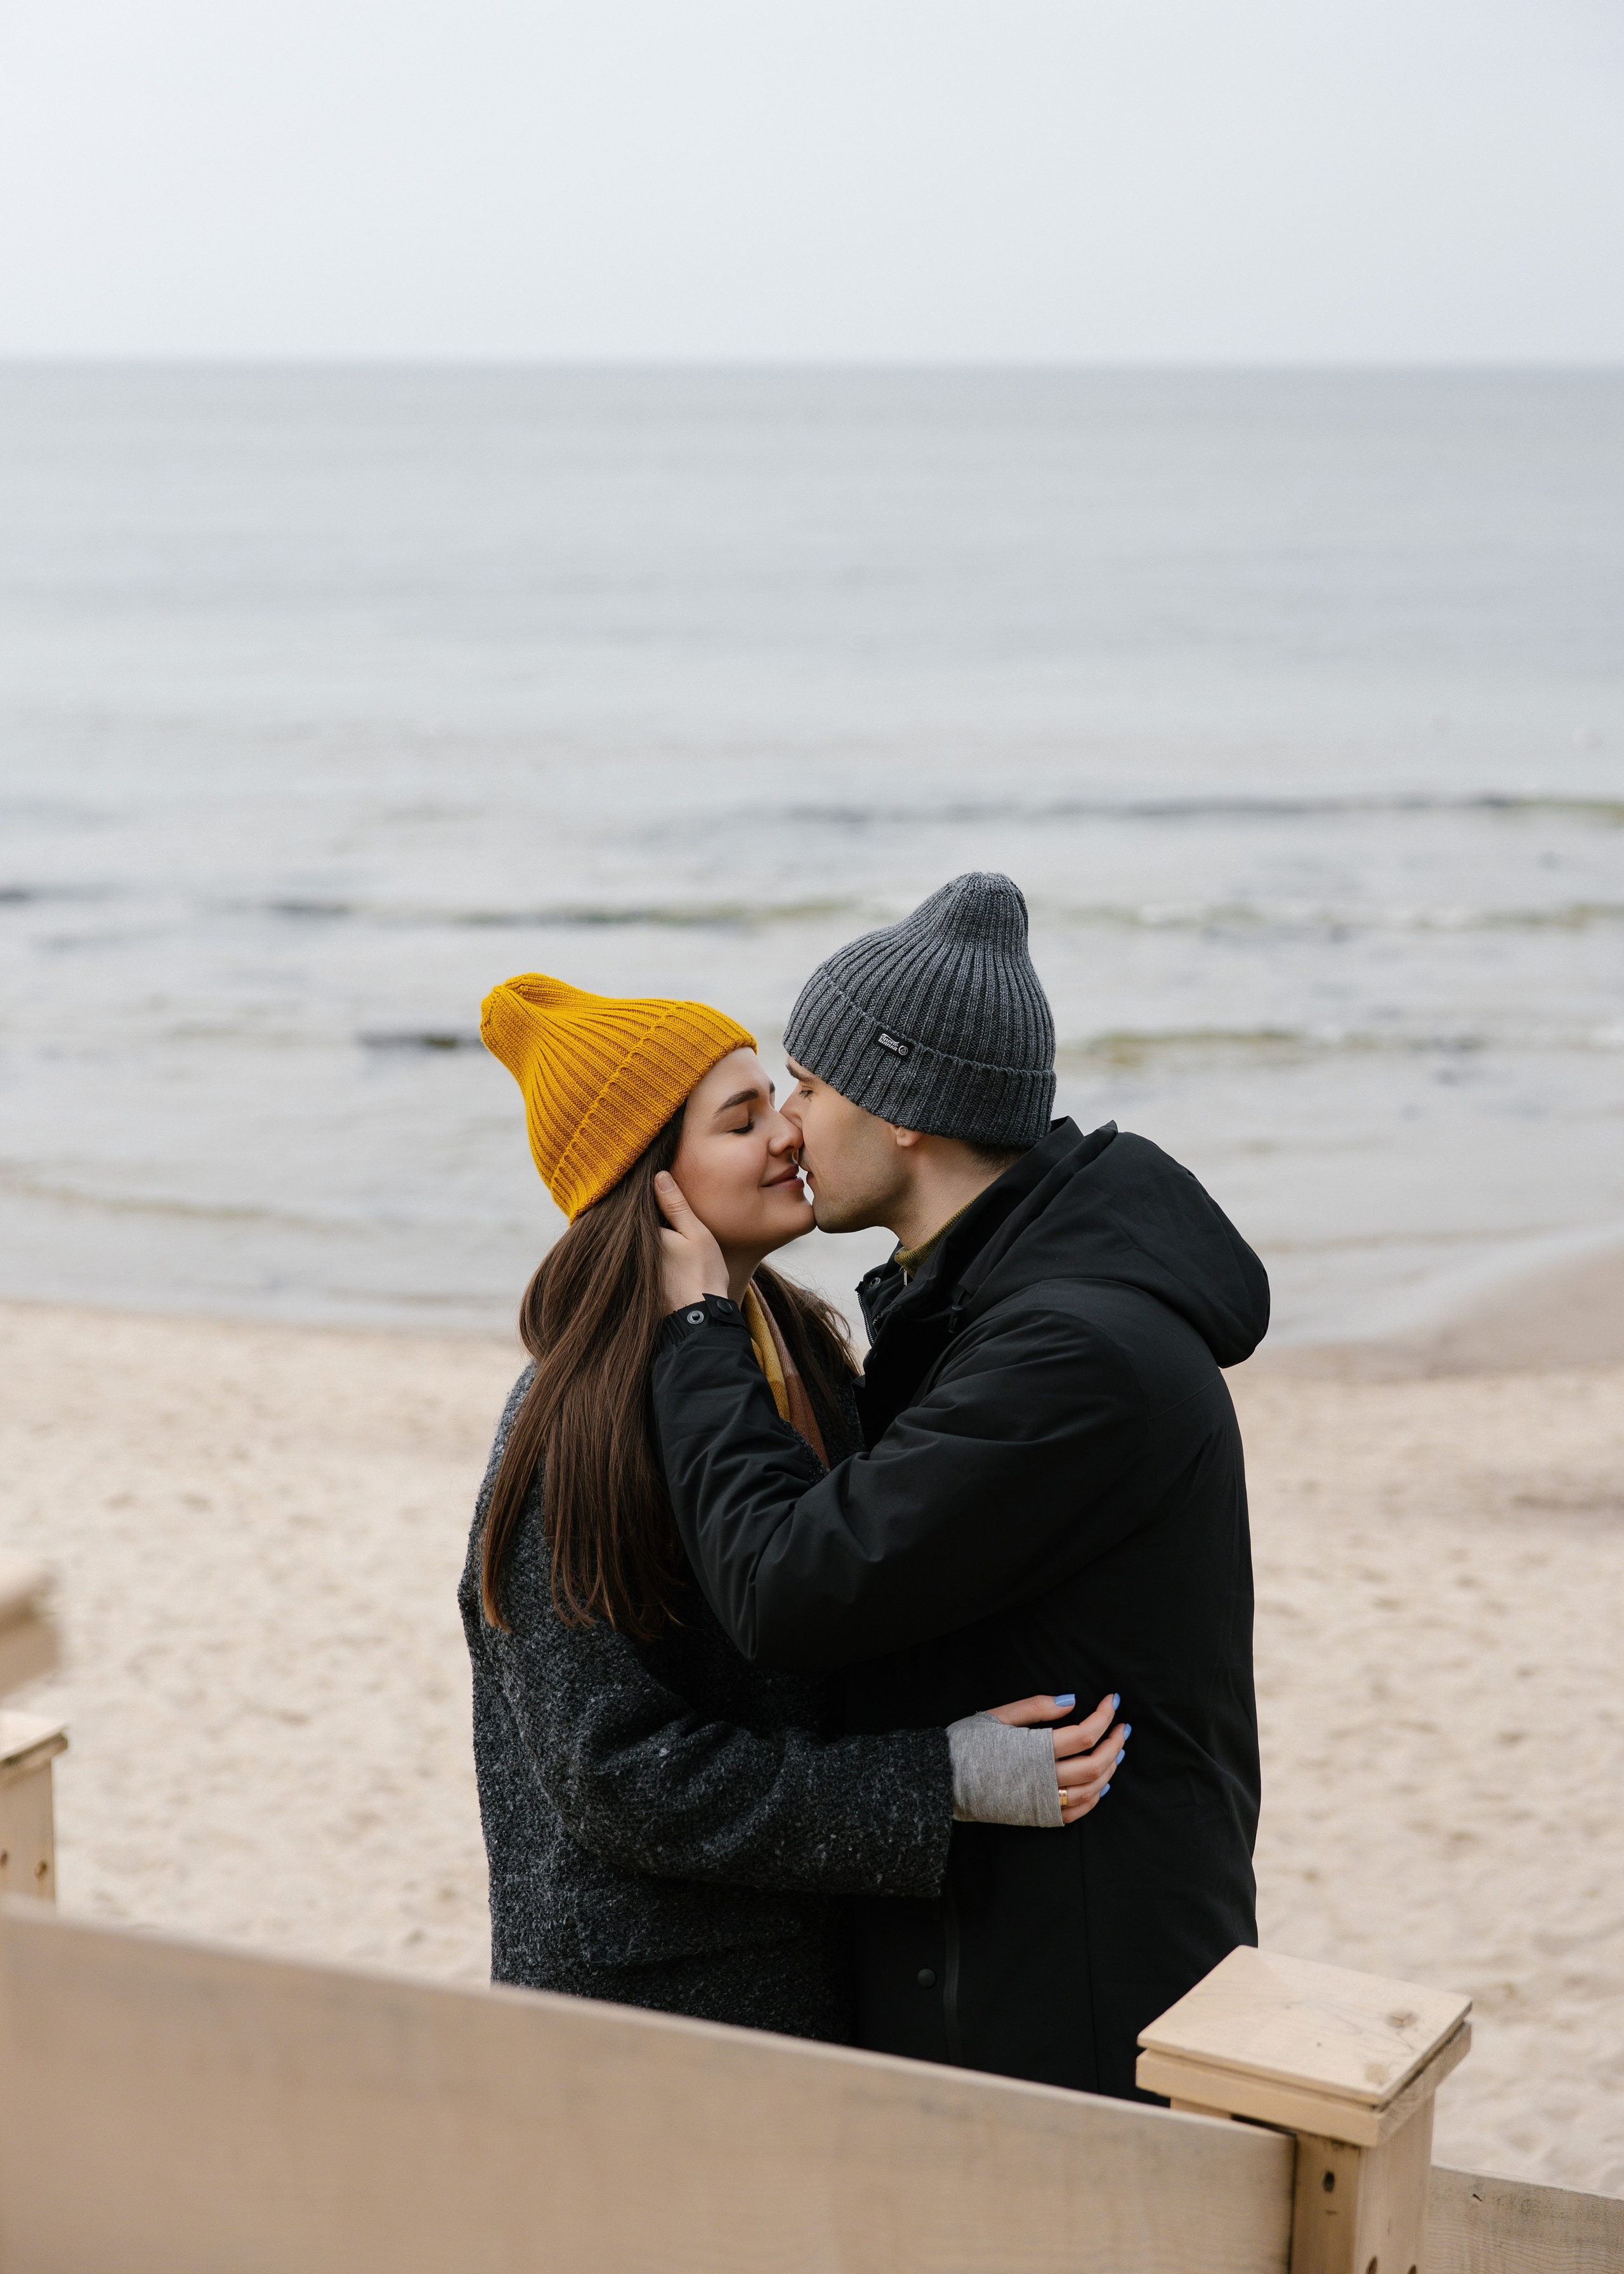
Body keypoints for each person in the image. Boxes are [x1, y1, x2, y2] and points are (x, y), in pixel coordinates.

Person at [650, 872, 1270, 2096]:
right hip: (995, 1952)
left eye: (812, 1089)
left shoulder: (1071, 1354)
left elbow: (789, 1584)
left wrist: (698, 1334)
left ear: (905, 1113)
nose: (789, 1125)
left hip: (1075, 2001)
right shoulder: (979, 1307)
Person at [459, 971, 1127, 2042]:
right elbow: (613, 1774)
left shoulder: (802, 1339)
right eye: (742, 1119)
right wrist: (937, 1780)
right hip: (648, 2009)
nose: (788, 1135)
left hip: (817, 1970)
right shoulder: (575, 1422)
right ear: (651, 1182)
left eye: (778, 1100)